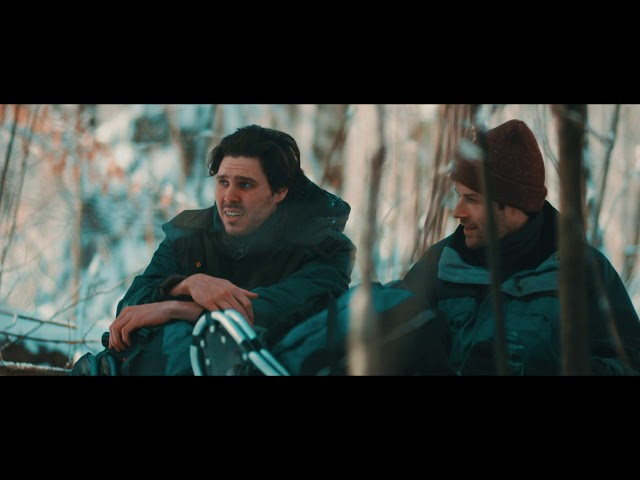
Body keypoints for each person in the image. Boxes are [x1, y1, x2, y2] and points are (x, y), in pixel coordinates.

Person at [107, 124, 357, 375]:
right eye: (223, 182)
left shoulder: (324, 246)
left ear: (280, 191)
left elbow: (285, 309)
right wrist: (184, 286)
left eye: (245, 185)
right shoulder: (189, 233)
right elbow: (129, 312)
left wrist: (177, 309)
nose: (229, 196)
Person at [402, 118, 640, 375]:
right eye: (458, 196)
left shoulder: (583, 271)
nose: (457, 212)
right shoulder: (440, 265)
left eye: (471, 199)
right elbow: (393, 353)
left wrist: (542, 370)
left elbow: (630, 364)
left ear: (514, 205)